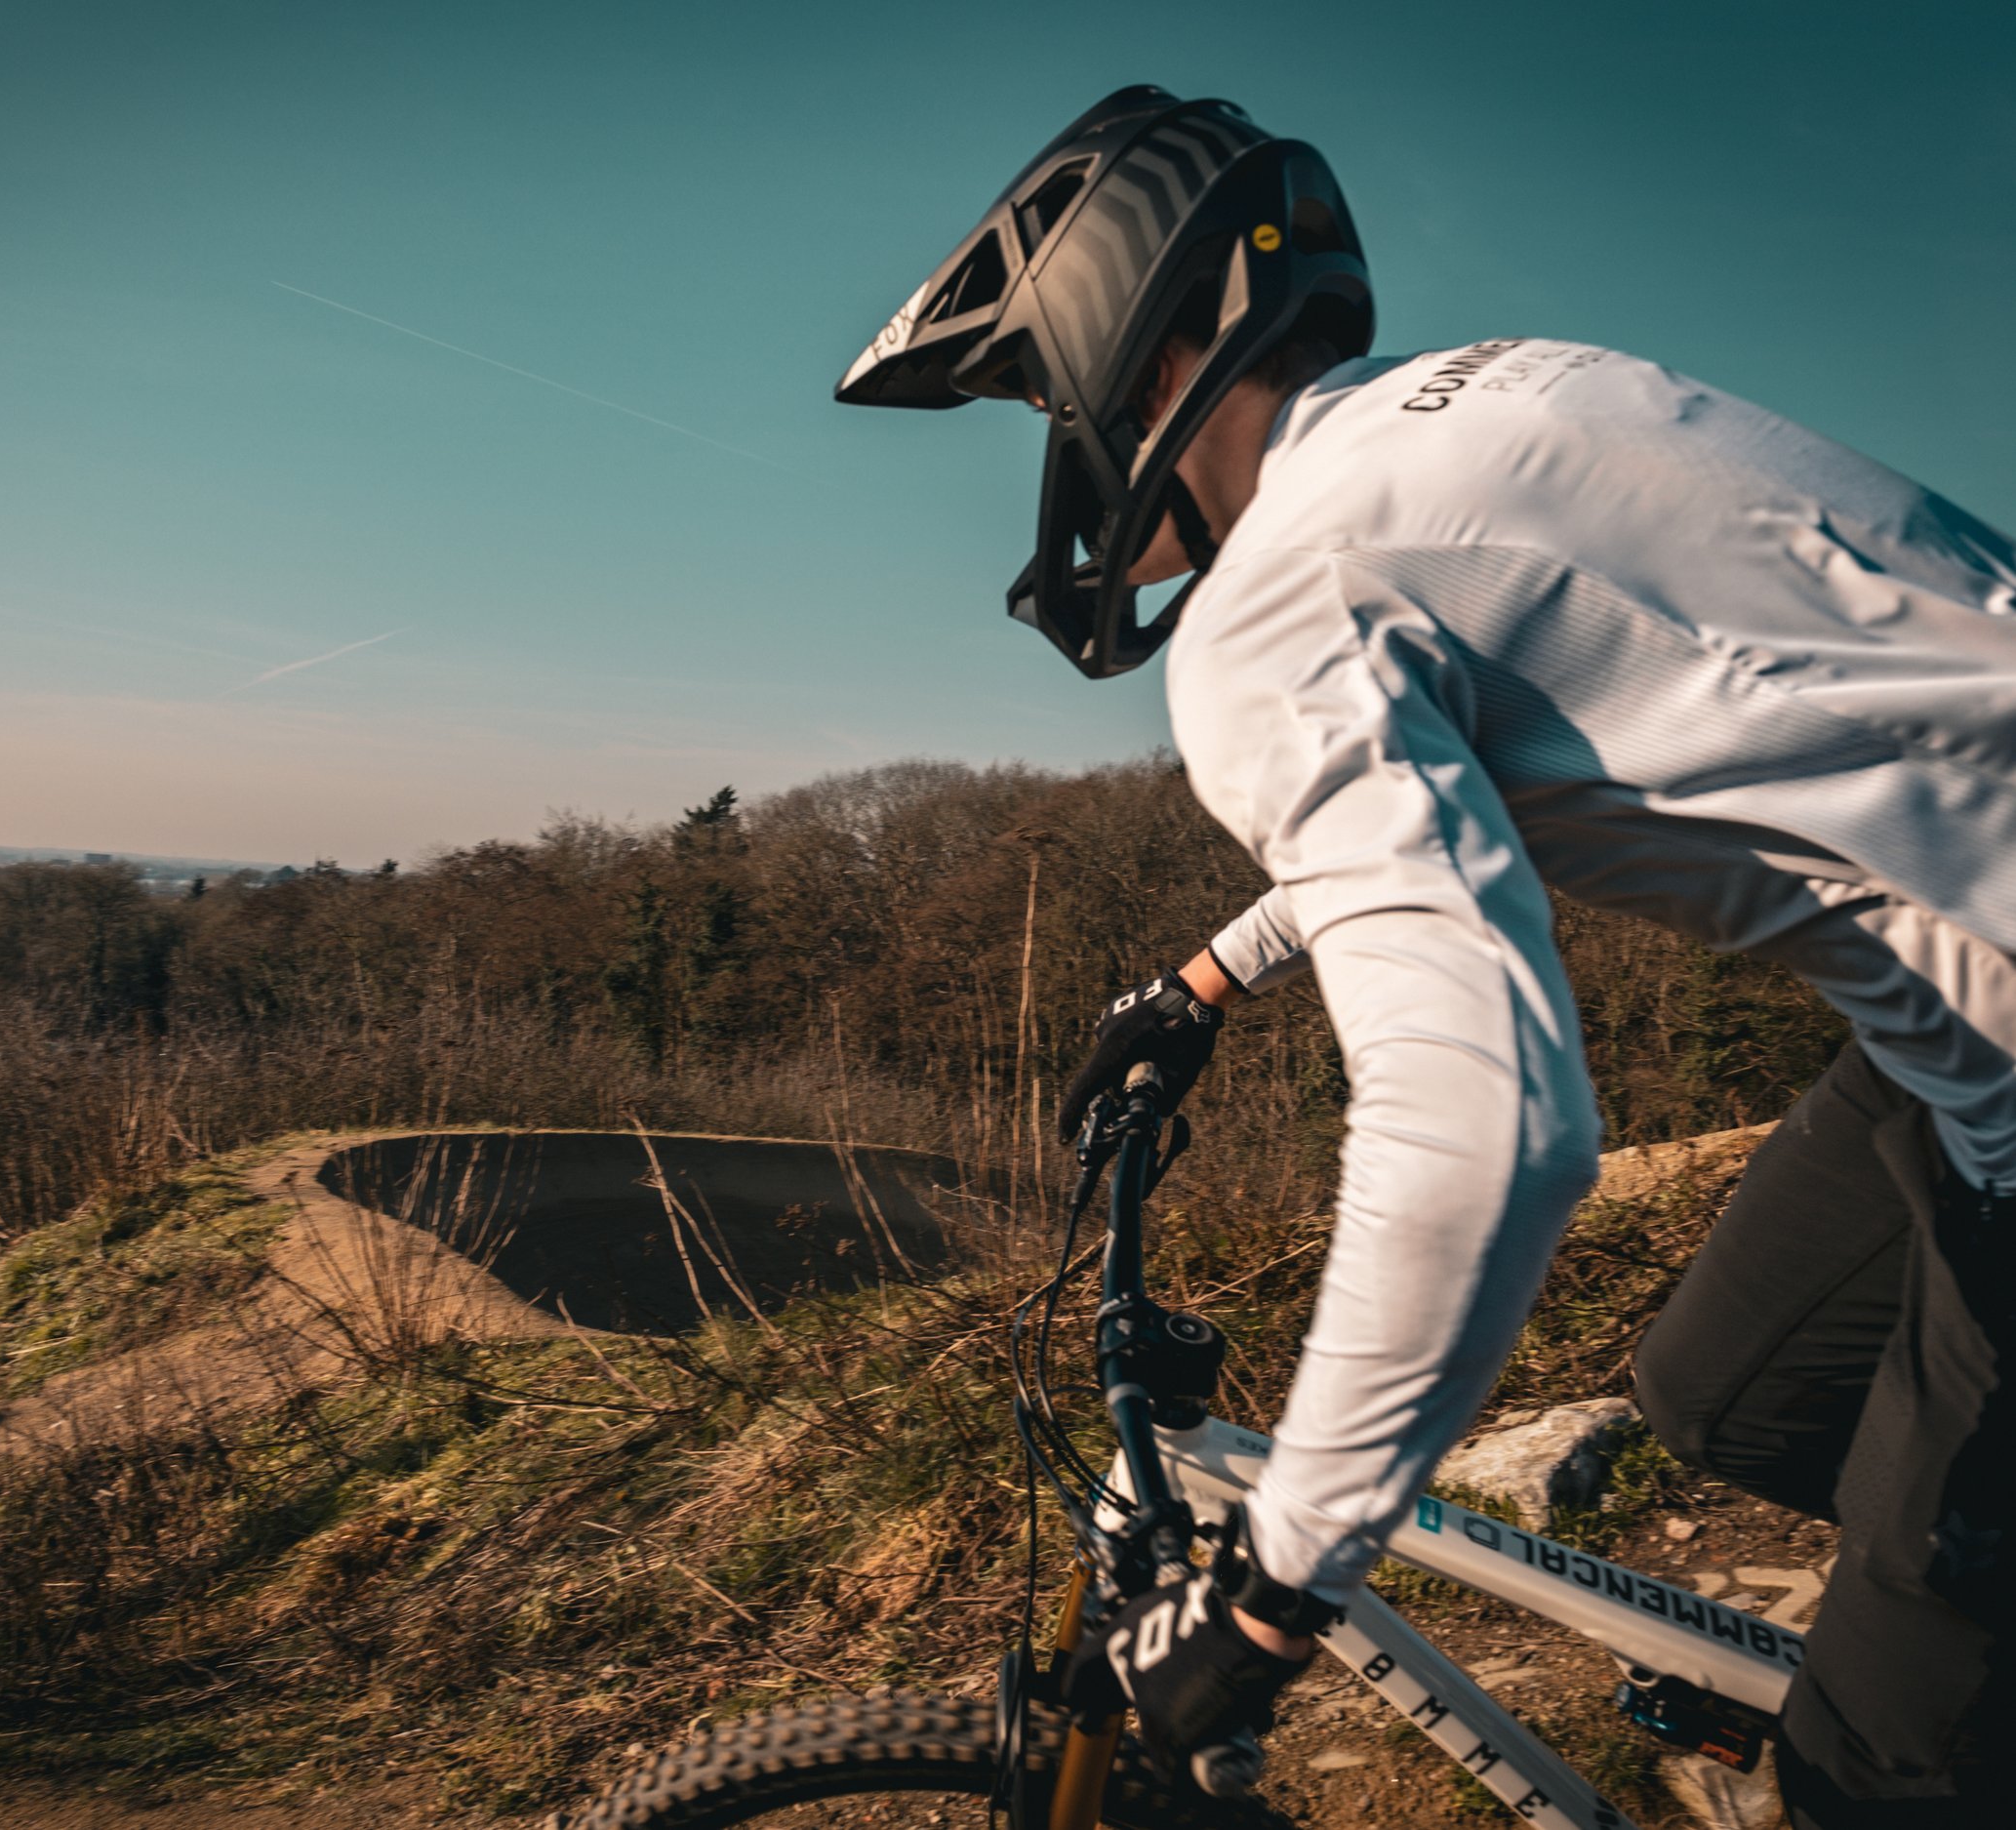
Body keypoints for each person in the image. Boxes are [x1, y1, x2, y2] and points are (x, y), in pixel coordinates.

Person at [837, 87, 2012, 1827]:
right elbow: (1510, 751)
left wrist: (1274, 1583)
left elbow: (1490, 1134)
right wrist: (1211, 977)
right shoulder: (1482, 405)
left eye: (1036, 396)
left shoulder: (1272, 608)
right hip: (1949, 1035)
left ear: (1134, 359)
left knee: (1874, 1779)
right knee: (1724, 1391)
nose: (1052, 455)